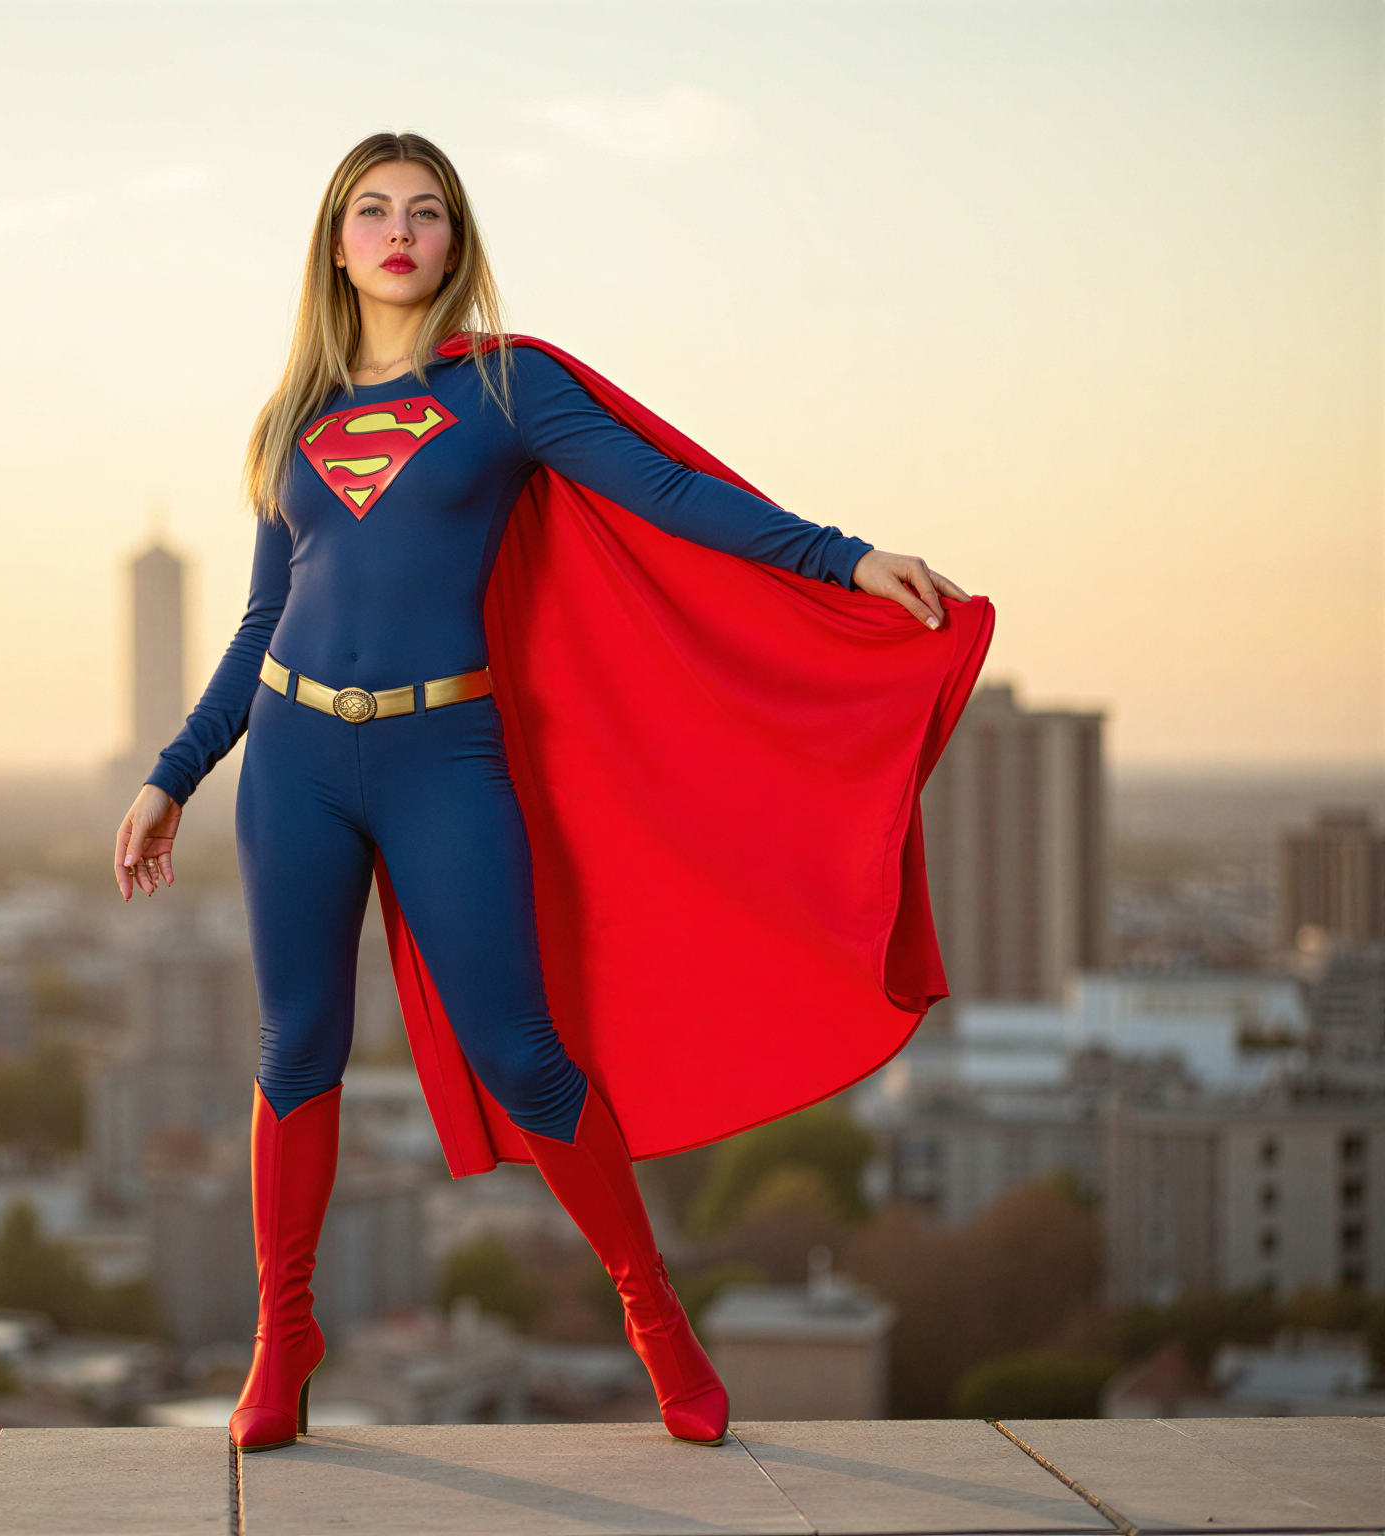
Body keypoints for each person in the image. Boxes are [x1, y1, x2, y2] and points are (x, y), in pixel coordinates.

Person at [113, 131, 985, 1453]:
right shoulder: (292, 422)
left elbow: (665, 489)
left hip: (442, 757)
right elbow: (261, 620)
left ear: (457, 244)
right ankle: (282, 1336)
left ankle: (655, 1320)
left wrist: (843, 556)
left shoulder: (507, 389)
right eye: (372, 212)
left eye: (427, 213)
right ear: (336, 244)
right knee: (297, 1052)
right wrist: (172, 774)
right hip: (293, 762)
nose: (400, 232)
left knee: (524, 1055)